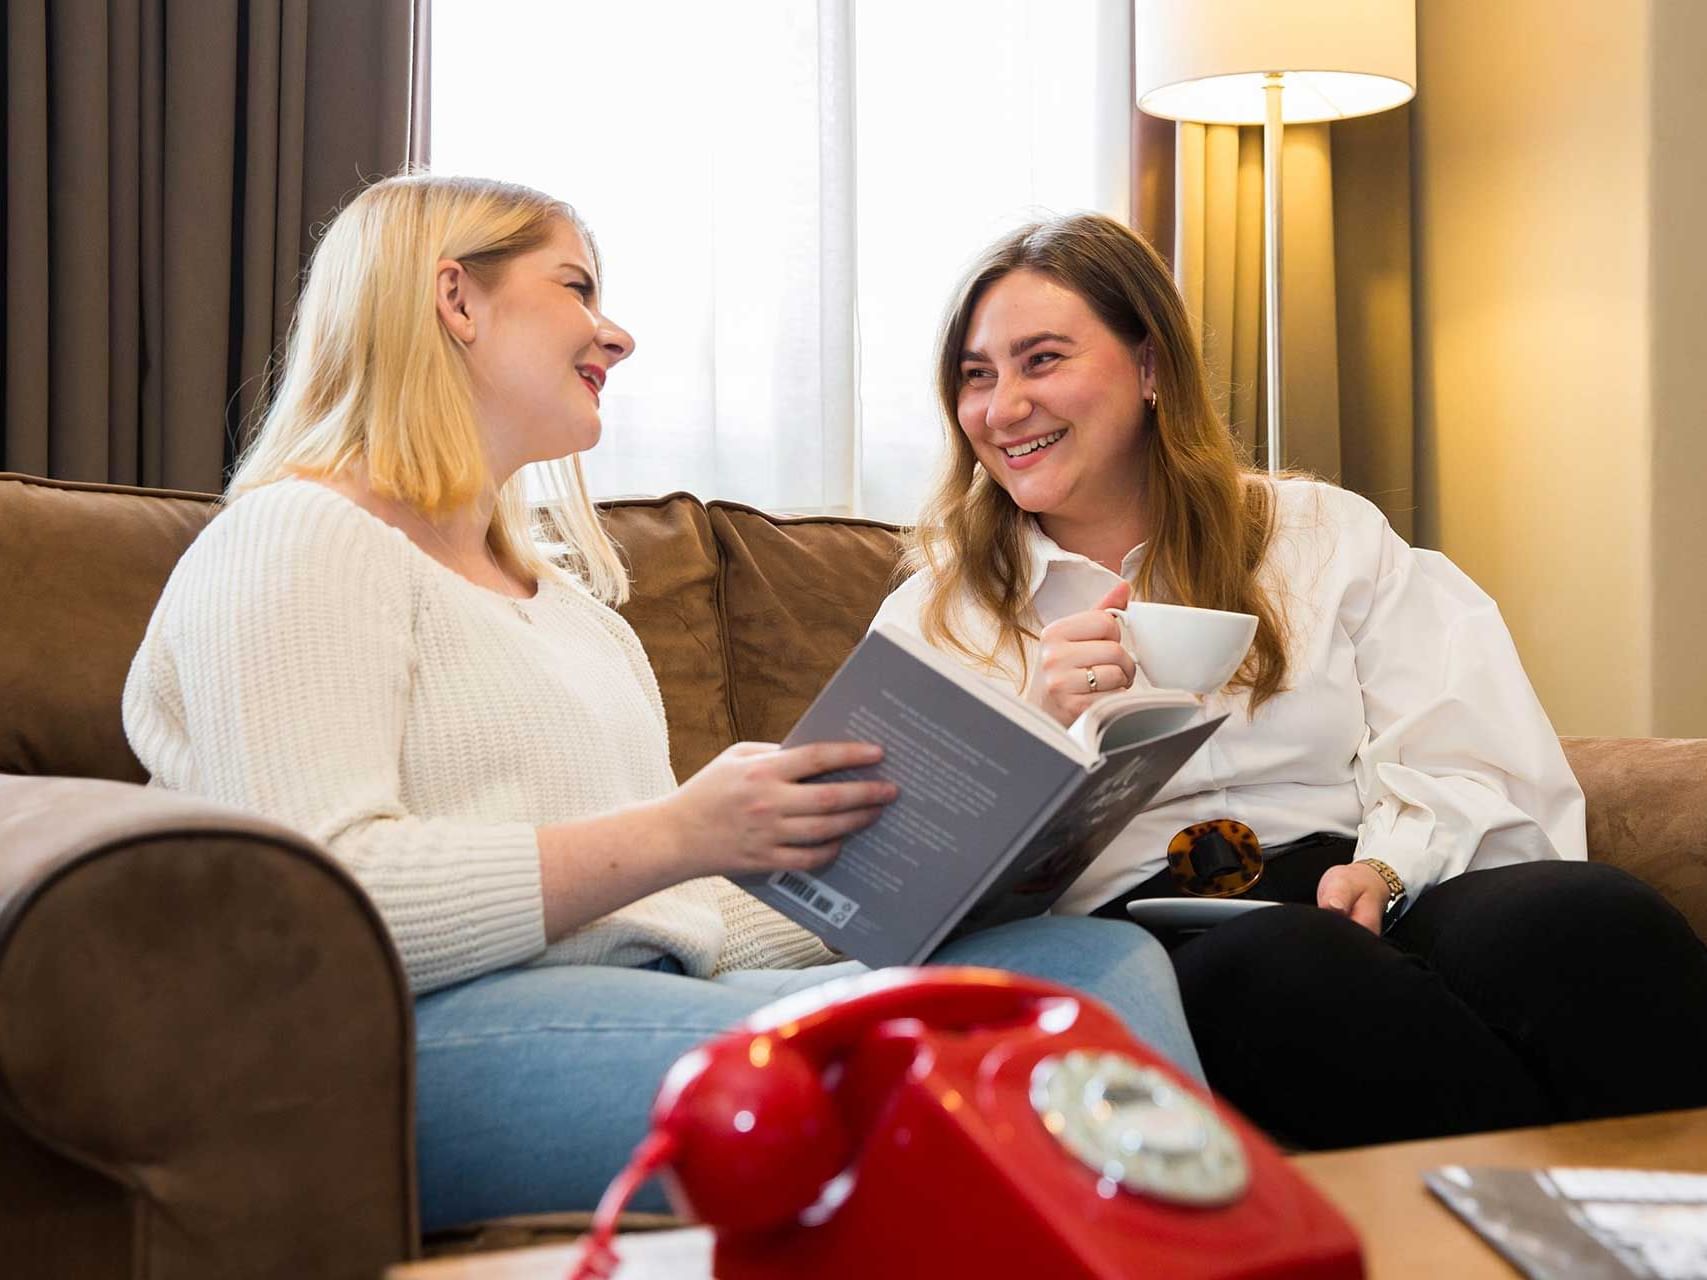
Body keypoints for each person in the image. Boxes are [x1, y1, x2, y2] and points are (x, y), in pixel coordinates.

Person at [120, 176, 1202, 1231]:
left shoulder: (575, 612)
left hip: (638, 991)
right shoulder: (302, 536)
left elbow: (663, 919)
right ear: (456, 299)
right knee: (879, 1072)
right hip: (392, 1041)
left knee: (1096, 970)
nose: (616, 333)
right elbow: (310, 904)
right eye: (577, 287)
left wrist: (901, 866)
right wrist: (681, 830)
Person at [873, 210, 1707, 1149]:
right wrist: (1035, 728)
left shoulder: (1316, 534)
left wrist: (1387, 870)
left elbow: (1467, 743)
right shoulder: (941, 612)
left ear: (1149, 368)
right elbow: (898, 893)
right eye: (975, 376)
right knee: (1286, 969)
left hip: (1367, 875)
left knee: (1590, 922)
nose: (1002, 407)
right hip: (1146, 927)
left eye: (1041, 360)